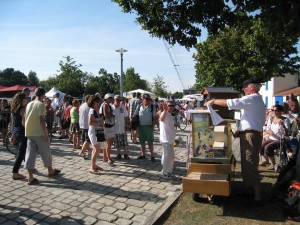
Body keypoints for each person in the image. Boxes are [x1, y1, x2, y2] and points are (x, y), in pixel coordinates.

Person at [206, 78, 266, 203]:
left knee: (250, 164)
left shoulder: (252, 98)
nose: (243, 90)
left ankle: (257, 197)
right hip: (249, 133)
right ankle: (250, 191)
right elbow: (249, 118)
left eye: (244, 87)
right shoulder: (254, 100)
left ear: (251, 87)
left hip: (251, 135)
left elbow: (232, 102)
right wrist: (241, 130)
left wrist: (213, 101)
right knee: (247, 163)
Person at [24, 87, 61, 185]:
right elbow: (41, 120)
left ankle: (30, 177)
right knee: (46, 152)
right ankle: (50, 170)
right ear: (43, 95)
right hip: (39, 132)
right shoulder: (41, 105)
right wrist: (45, 134)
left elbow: (25, 118)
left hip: (29, 132)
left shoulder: (29, 104)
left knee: (30, 154)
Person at [260, 105, 290, 170]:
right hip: (272, 138)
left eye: (276, 110)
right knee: (261, 146)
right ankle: (266, 160)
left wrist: (283, 126)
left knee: (268, 147)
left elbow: (287, 133)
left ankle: (273, 164)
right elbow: (267, 129)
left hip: (281, 139)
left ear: (281, 111)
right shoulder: (271, 119)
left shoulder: (285, 120)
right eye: (273, 110)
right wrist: (269, 131)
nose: (275, 112)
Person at [134, 93, 158, 162]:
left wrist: (153, 126)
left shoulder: (152, 107)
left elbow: (155, 117)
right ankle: (143, 154)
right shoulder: (139, 106)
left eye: (148, 99)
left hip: (148, 126)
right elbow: (135, 115)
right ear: (142, 99)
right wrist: (135, 126)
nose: (147, 100)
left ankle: (152, 155)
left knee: (150, 141)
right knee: (142, 141)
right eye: (146, 99)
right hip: (140, 126)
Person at [10, 92, 28, 180]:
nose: (27, 99)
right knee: (21, 153)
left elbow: (13, 123)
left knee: (22, 151)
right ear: (22, 100)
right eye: (26, 98)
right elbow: (24, 124)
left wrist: (13, 135)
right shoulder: (23, 109)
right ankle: (15, 172)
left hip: (16, 132)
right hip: (22, 132)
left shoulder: (14, 109)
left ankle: (28, 166)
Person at [158, 101, 177, 178]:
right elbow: (162, 119)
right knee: (167, 156)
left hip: (170, 139)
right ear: (166, 106)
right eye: (170, 105)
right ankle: (165, 172)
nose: (171, 107)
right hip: (166, 140)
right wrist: (165, 110)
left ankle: (168, 170)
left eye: (173, 105)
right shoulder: (164, 113)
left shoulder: (169, 114)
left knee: (170, 156)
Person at [87, 95, 105, 174]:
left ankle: (94, 165)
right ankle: (92, 167)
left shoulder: (96, 109)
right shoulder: (92, 110)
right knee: (97, 149)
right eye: (97, 102)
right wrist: (100, 123)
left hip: (98, 131)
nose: (99, 103)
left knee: (96, 149)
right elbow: (90, 122)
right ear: (94, 102)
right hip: (94, 132)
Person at [112, 95, 130, 160]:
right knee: (117, 142)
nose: (119, 101)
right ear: (114, 100)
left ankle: (125, 154)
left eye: (120, 100)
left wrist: (127, 124)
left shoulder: (122, 107)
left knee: (124, 142)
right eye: (117, 100)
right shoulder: (111, 108)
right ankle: (118, 154)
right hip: (115, 128)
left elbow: (126, 116)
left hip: (122, 127)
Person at [101, 93, 115, 166]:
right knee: (108, 143)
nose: (111, 99)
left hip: (106, 125)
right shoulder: (105, 105)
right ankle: (108, 158)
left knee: (106, 143)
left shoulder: (105, 104)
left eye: (111, 98)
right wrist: (112, 113)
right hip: (107, 126)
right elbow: (106, 115)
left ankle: (105, 157)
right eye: (110, 98)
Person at [79, 94, 91, 159]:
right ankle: (82, 152)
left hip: (82, 125)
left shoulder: (81, 106)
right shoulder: (88, 106)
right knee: (87, 140)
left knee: (85, 141)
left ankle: (88, 151)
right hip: (87, 126)